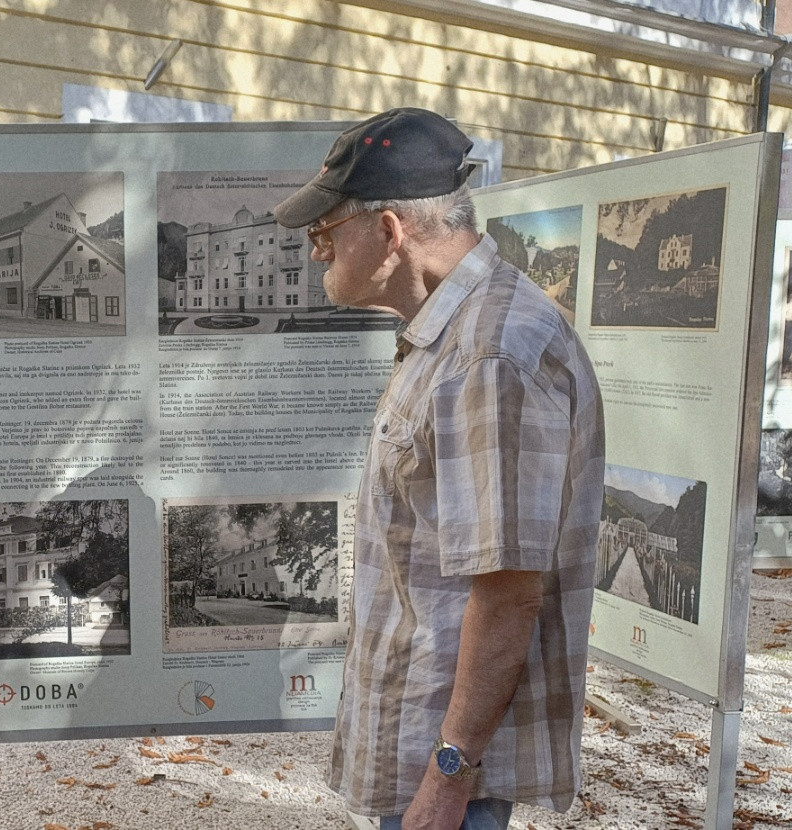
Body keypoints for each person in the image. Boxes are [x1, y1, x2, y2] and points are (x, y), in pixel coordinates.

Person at [274, 108, 605, 830]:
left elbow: (510, 593)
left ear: (388, 230)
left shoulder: (491, 354)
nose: (314, 253)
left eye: (323, 234)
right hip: (418, 738)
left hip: (448, 770)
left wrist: (450, 776)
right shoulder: (452, 333)